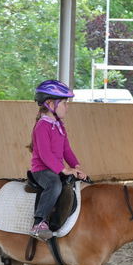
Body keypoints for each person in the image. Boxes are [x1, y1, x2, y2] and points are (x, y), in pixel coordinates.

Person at [28, 79, 87, 240]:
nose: (67, 107)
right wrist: (63, 169)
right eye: (64, 103)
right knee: (54, 184)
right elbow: (45, 154)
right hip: (42, 170)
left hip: (55, 168)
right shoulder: (42, 126)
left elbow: (66, 149)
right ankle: (39, 223)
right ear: (50, 104)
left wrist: (76, 166)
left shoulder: (59, 125)